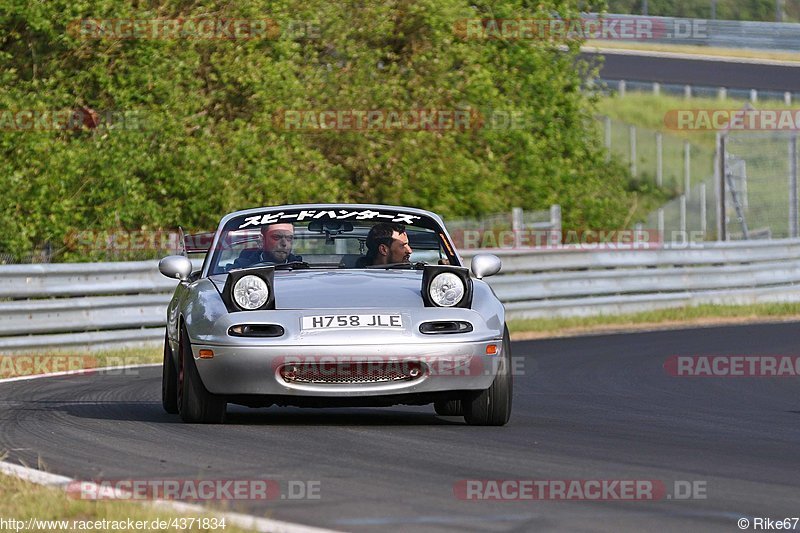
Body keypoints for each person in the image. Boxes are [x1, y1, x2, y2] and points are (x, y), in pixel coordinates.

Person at [232, 223, 302, 268]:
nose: (284, 243)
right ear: (262, 240)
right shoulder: (241, 268)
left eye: (289, 238)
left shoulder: (301, 268)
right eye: (276, 237)